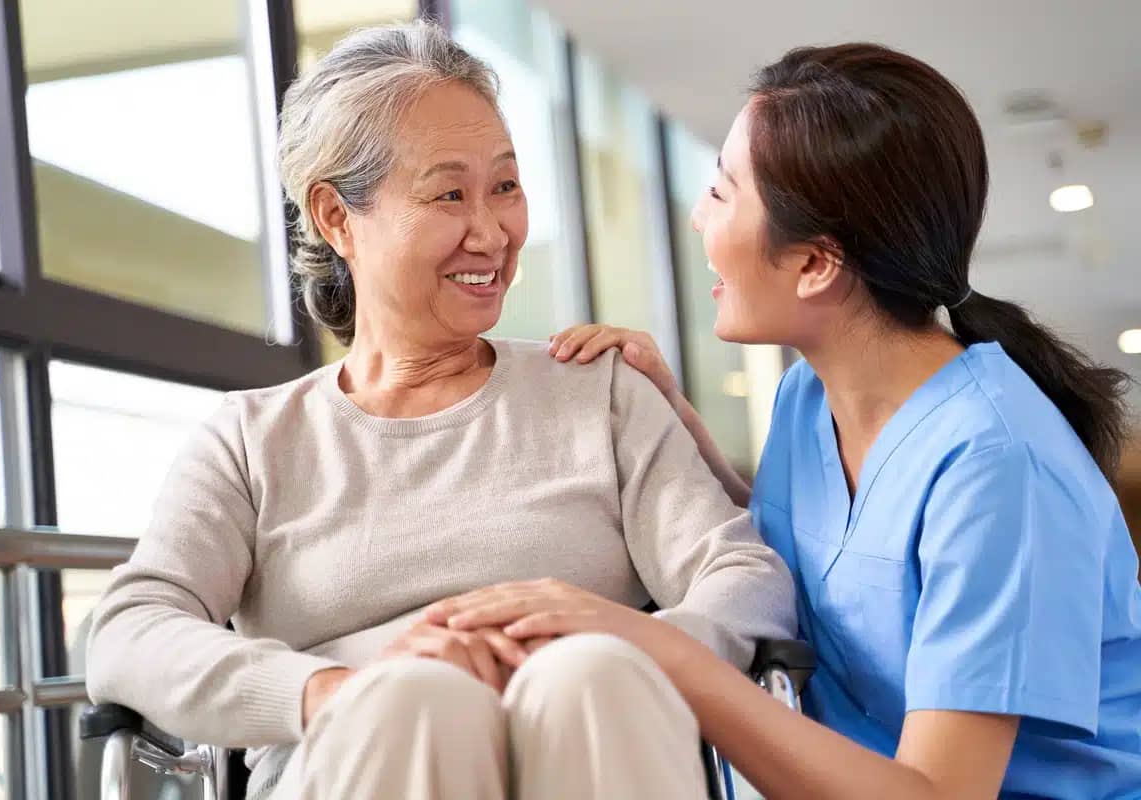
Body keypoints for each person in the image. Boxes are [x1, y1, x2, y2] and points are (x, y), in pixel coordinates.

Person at [85, 21, 795, 800]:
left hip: (593, 737)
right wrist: (330, 689)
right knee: (418, 700)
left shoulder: (600, 391)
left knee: (590, 673)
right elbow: (131, 629)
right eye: (449, 193)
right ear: (335, 217)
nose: (491, 232)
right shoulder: (252, 439)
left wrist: (633, 642)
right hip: (365, 747)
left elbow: (743, 574)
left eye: (506, 186)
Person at [427, 43, 1141, 799]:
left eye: (722, 193)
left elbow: (937, 792)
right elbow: (823, 546)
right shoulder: (809, 397)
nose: (699, 216)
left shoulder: (998, 465)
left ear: (814, 264)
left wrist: (657, 647)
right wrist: (668, 418)